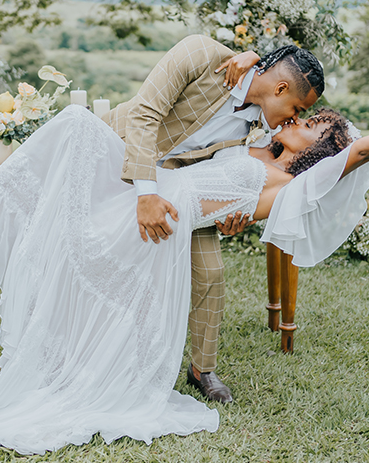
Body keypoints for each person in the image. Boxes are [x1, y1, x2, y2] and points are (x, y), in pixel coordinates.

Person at [0, 77, 369, 455]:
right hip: (147, 195)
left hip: (158, 221)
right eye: (303, 110)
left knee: (73, 167)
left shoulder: (291, 183)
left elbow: (361, 153)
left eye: (314, 123)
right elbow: (242, 108)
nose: (302, 117)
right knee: (74, 130)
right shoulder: (258, 148)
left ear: (323, 150)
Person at [107, 36, 324, 403]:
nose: (295, 118)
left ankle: (201, 370)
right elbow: (145, 114)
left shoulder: (265, 125)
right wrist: (146, 192)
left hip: (180, 189)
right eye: (296, 108)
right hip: (119, 154)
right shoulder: (200, 55)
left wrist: (231, 214)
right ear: (281, 87)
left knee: (211, 273)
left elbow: (245, 172)